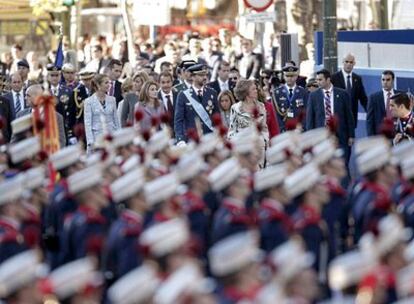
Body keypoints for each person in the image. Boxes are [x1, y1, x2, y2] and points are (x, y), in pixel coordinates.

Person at [306, 69, 355, 163]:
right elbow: (310, 119)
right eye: (317, 80)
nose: (318, 82)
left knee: (342, 165)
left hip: (340, 136)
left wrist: (351, 135)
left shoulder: (342, 94)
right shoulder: (313, 96)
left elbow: (349, 116)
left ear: (328, 80)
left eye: (320, 80)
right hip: (321, 137)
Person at [174, 64, 220, 144]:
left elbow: (217, 116)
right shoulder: (183, 95)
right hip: (192, 139)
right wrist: (180, 139)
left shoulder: (212, 93)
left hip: (210, 137)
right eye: (201, 75)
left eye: (205, 74)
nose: (205, 77)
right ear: (193, 77)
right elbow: (179, 120)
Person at [84, 74, 120, 153]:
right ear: (98, 84)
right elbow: (88, 123)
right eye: (106, 83)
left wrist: (119, 136)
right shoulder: (88, 101)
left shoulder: (112, 99)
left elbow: (116, 120)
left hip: (111, 136)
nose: (109, 85)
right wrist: (91, 142)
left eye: (109, 83)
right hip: (97, 137)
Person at [228, 79, 269, 147]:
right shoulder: (235, 108)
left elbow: (264, 128)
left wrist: (265, 143)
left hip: (258, 146)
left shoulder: (261, 106)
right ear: (246, 92)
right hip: (242, 146)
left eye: (256, 89)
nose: (256, 91)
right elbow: (232, 130)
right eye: (253, 89)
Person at [331, 53, 368, 127]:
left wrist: (371, 112)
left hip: (352, 120)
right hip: (337, 119)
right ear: (343, 62)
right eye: (346, 62)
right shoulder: (334, 78)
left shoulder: (357, 79)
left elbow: (363, 99)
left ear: (354, 63)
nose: (349, 64)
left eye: (351, 62)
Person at [273, 65, 308, 132]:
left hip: (299, 129)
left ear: (296, 76)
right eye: (287, 76)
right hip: (284, 129)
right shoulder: (277, 92)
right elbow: (275, 113)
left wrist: (302, 126)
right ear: (283, 76)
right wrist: (281, 128)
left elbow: (306, 111)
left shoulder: (303, 92)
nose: (289, 78)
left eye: (292, 76)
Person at [367, 70, 400, 136]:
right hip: (380, 135)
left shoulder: (400, 95)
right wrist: (371, 138)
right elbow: (370, 120)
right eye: (383, 80)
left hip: (397, 135)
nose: (385, 82)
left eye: (388, 80)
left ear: (393, 81)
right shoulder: (373, 97)